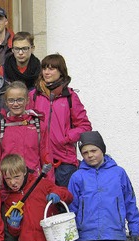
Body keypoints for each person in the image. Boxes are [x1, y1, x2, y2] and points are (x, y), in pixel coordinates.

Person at [27, 54, 92, 187]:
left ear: (61, 71)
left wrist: (66, 137)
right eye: (44, 68)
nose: (46, 72)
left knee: (65, 202)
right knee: (42, 203)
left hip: (64, 160)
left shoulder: (70, 97)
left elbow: (85, 126)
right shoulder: (33, 96)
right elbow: (26, 122)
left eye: (51, 69)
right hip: (40, 160)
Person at [0, 80, 49, 179]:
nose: (15, 104)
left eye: (20, 100)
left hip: (33, 184)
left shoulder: (39, 126)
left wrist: (49, 187)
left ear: (27, 100)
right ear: (6, 102)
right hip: (8, 186)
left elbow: (47, 160)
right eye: (11, 100)